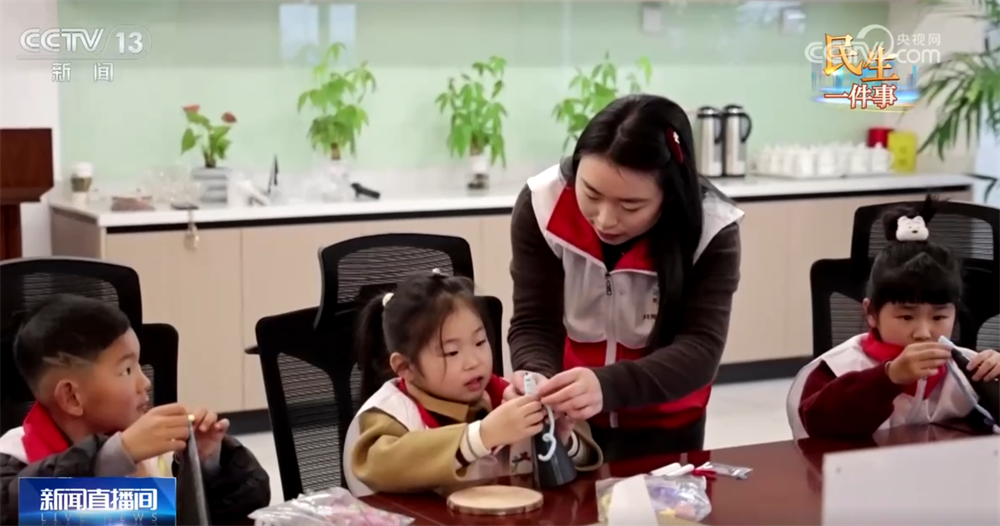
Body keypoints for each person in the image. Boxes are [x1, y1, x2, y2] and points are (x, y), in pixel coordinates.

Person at [506, 94, 745, 459]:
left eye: (630, 205)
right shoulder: (543, 204)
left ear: (669, 195)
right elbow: (534, 322)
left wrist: (606, 386)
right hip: (573, 420)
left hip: (667, 425)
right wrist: (536, 377)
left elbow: (700, 348)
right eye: (591, 193)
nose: (605, 219)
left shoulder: (711, 228)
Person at [0, 295, 270, 525]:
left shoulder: (158, 452)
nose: (145, 382)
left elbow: (240, 507)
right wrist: (116, 455)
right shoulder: (14, 458)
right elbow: (20, 508)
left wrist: (203, 466)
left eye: (140, 365)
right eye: (127, 370)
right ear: (72, 396)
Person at [344, 272, 602, 497]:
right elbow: (376, 466)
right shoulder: (391, 412)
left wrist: (561, 440)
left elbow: (587, 462)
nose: (474, 362)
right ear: (405, 367)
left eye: (480, 342)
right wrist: (483, 435)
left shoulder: (506, 395)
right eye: (452, 352)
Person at [787, 196, 1000, 440]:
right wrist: (888, 378)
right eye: (907, 317)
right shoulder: (837, 368)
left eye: (939, 316)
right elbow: (816, 425)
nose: (923, 333)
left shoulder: (967, 368)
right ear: (871, 313)